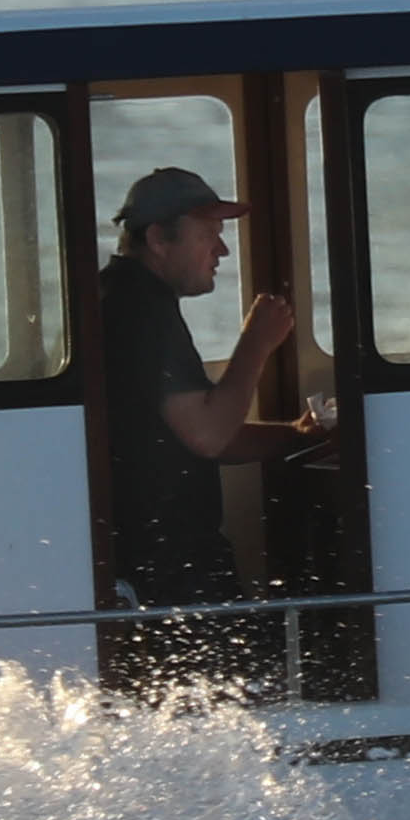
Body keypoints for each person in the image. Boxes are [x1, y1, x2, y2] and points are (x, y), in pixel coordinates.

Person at [98, 165, 314, 694]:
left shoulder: (127, 299)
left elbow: (193, 432)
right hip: (168, 563)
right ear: (157, 238)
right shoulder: (141, 310)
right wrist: (257, 344)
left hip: (161, 557)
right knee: (233, 700)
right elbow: (208, 436)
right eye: (208, 234)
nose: (221, 251)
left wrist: (297, 435)